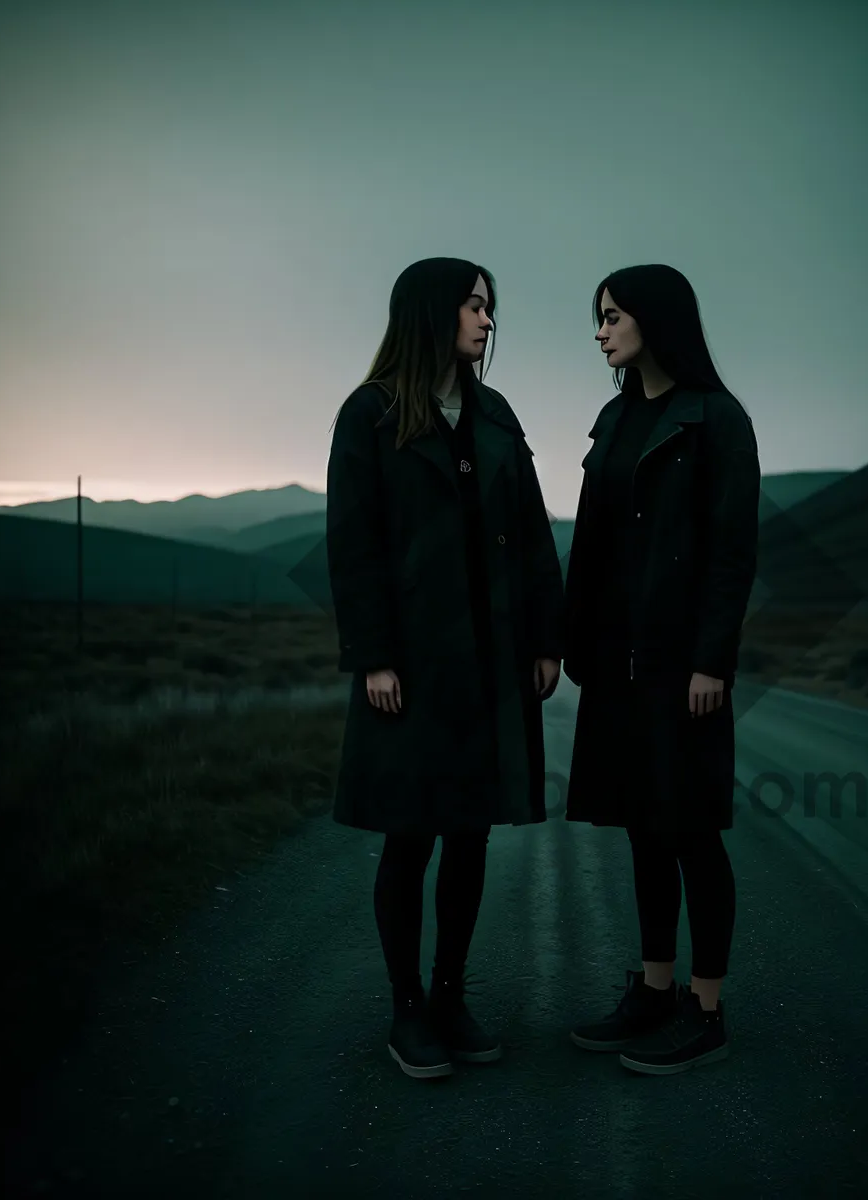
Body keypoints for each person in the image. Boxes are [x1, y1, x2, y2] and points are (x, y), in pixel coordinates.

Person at [325, 257, 564, 1080]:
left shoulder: (496, 414)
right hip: (414, 666)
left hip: (493, 661)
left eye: (489, 307)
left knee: (471, 833)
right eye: (472, 305)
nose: (486, 320)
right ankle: (406, 1011)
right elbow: (353, 547)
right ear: (431, 312)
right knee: (410, 835)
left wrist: (544, 639)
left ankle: (451, 995)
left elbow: (533, 534)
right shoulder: (371, 413)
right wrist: (375, 658)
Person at [562, 264, 761, 1075]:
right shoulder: (614, 419)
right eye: (599, 317)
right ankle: (652, 988)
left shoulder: (716, 419)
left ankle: (705, 1007)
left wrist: (712, 659)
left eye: (612, 316)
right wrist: (574, 639)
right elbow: (593, 542)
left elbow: (731, 552)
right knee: (643, 826)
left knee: (691, 831)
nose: (601, 330)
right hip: (619, 664)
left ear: (656, 319)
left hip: (684, 666)